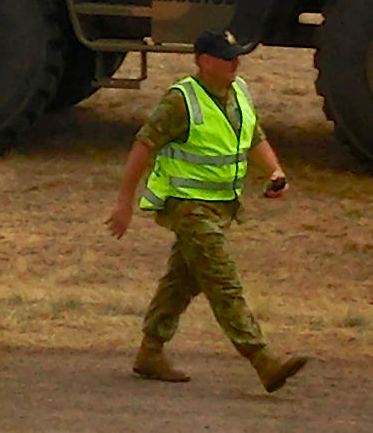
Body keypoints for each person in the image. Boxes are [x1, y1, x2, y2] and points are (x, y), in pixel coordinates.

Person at [109, 30, 311, 393]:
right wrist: (124, 202)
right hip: (187, 206)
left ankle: (150, 352)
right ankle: (262, 360)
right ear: (203, 60)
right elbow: (144, 144)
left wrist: (275, 172)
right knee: (222, 281)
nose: (235, 61)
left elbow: (255, 136)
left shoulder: (239, 92)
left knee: (181, 281)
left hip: (220, 208)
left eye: (236, 54)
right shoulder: (181, 101)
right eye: (226, 56)